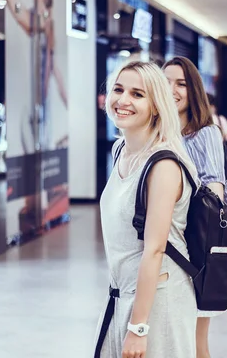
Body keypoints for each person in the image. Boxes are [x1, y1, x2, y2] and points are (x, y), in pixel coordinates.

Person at [95, 61, 199, 358]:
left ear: (156, 106)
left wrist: (138, 326)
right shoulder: (120, 151)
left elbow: (154, 249)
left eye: (138, 94)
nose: (123, 100)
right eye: (118, 89)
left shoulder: (163, 164)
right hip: (120, 296)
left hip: (158, 302)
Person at [163, 56, 226, 358]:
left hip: (193, 248)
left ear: (194, 90)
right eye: (166, 82)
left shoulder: (204, 133)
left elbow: (216, 191)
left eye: (181, 84)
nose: (172, 89)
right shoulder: (156, 133)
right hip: (158, 245)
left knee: (195, 339)